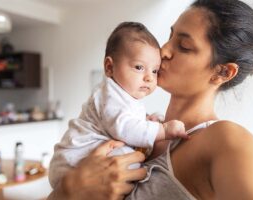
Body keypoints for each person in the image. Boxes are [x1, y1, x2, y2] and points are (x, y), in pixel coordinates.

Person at [48, 0, 253, 199]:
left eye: (184, 46)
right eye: (170, 37)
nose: (164, 51)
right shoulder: (139, 126)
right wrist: (68, 190)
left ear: (222, 72)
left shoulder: (226, 142)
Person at [48, 22, 188, 189]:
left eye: (154, 71)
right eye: (139, 67)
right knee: (129, 159)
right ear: (109, 67)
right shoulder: (110, 94)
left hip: (83, 162)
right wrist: (163, 130)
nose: (149, 78)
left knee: (130, 156)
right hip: (73, 160)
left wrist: (147, 120)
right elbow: (124, 128)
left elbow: (124, 120)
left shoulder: (125, 97)